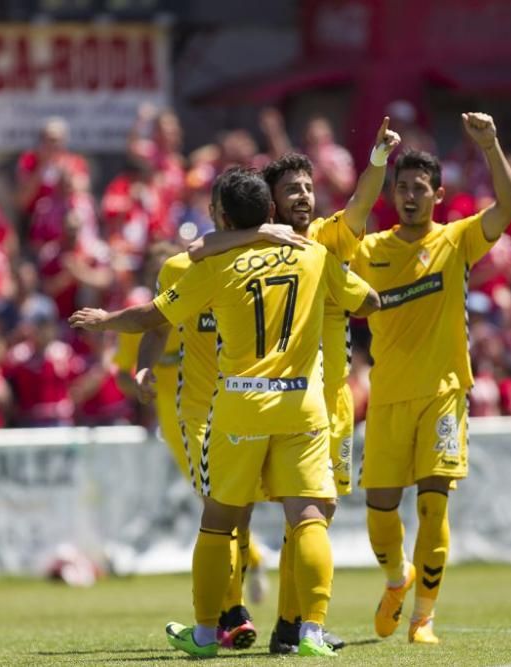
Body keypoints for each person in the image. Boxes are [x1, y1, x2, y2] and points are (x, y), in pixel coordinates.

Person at [69, 168, 381, 658]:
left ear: (224, 217)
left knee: (220, 521)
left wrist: (106, 321)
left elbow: (153, 317)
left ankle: (204, 633)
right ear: (270, 212)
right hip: (302, 403)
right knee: (309, 518)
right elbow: (371, 300)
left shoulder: (215, 268)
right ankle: (312, 632)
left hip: (239, 402)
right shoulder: (314, 256)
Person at [187, 116, 401, 653]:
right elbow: (205, 244)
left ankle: (289, 622)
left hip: (327, 403)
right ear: (272, 206)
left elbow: (360, 206)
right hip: (284, 401)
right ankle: (238, 612)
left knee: (310, 517)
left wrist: (377, 160)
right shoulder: (253, 249)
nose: (304, 197)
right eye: (292, 191)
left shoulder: (326, 237)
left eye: (308, 187)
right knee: (246, 515)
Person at [349, 112, 511, 645]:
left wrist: (491, 145)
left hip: (445, 395)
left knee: (432, 504)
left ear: (438, 196)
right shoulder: (370, 250)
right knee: (380, 514)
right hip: (388, 398)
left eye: (419, 189)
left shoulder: (458, 241)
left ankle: (424, 617)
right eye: (401, 188)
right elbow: (334, 247)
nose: (409, 196)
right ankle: (397, 581)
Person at [129, 175, 304, 650]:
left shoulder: (253, 264)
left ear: (219, 214)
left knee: (233, 515)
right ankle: (239, 613)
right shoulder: (181, 268)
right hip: (204, 412)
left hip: (241, 406)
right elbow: (156, 327)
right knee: (230, 512)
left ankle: (232, 617)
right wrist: (144, 370)